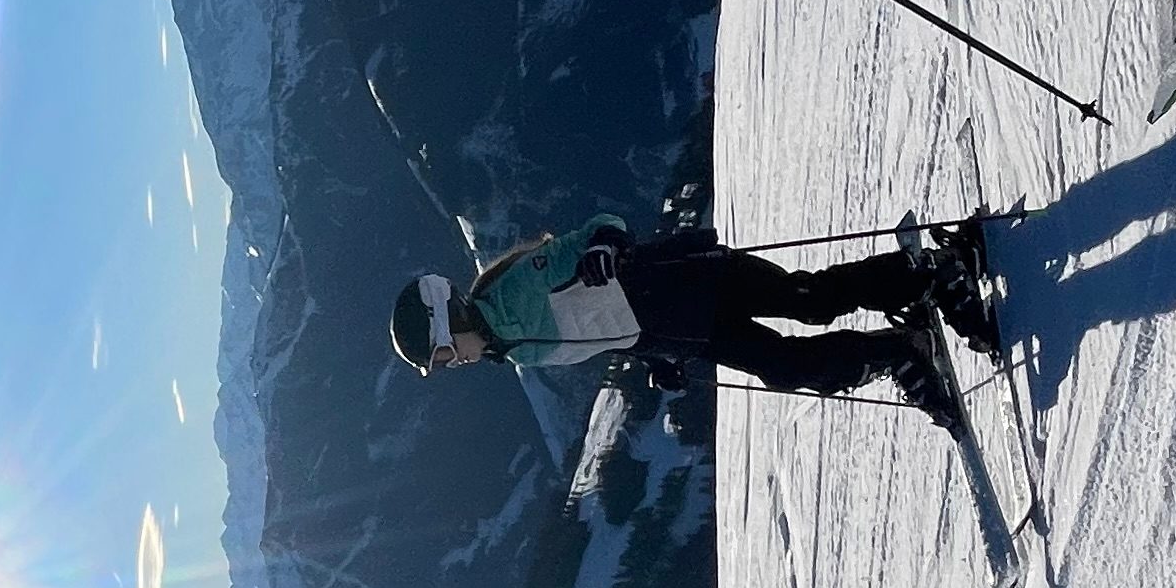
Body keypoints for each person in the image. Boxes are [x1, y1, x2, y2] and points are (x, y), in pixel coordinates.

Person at [386, 210, 993, 409]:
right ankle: (898, 352)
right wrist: (653, 356)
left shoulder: (509, 296)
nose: (450, 364)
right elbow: (595, 331)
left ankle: (926, 278)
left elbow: (596, 230)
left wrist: (605, 247)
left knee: (806, 302)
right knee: (786, 367)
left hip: (692, 284)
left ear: (449, 320)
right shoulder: (510, 350)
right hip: (682, 333)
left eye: (441, 355)